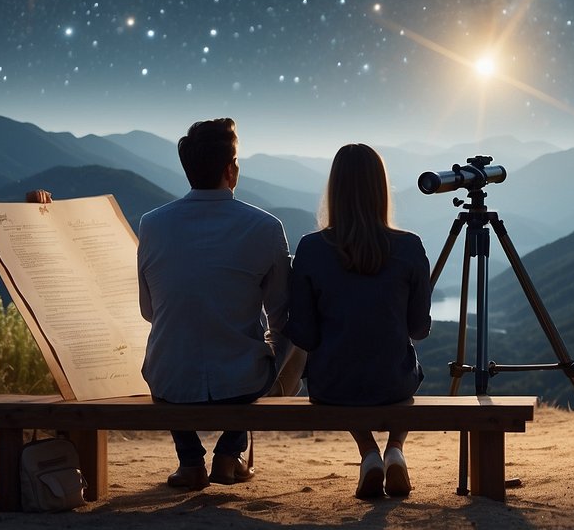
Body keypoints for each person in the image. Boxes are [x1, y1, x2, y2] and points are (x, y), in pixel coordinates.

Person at [137, 117, 296, 490]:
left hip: (168, 381)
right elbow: (283, 315)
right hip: (242, 383)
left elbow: (149, 312)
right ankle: (229, 450)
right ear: (231, 169)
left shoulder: (152, 224)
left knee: (171, 351)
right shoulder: (265, 226)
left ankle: (191, 461)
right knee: (289, 337)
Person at [286, 143, 432, 498]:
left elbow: (303, 335)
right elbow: (419, 330)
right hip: (393, 383)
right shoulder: (410, 246)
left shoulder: (310, 248)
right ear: (381, 189)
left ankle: (369, 453)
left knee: (343, 367)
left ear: (334, 190)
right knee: (403, 363)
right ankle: (395, 448)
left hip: (332, 385)